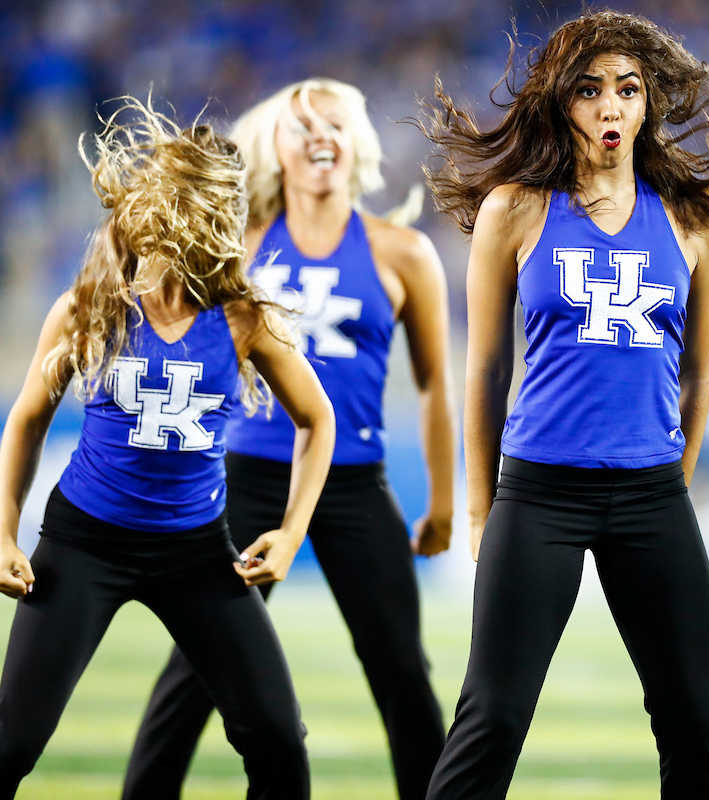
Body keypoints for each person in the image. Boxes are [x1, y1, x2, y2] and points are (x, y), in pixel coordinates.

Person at [417, 10, 709, 799]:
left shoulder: (698, 220)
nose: (610, 107)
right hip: (540, 495)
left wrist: (675, 480)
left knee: (695, 720)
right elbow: (486, 370)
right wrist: (482, 511)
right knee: (490, 716)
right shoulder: (515, 210)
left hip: (652, 496)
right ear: (561, 102)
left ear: (647, 104)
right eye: (590, 90)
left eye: (627, 89)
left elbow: (698, 374)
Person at [122, 78, 454, 800]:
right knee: (195, 670)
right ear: (275, 146)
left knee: (401, 668)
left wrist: (445, 501)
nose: (317, 138)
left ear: (358, 143)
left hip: (357, 481)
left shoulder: (403, 254)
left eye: (334, 123)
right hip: (245, 478)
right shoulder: (234, 248)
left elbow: (433, 385)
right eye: (300, 126)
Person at [0, 100, 334, 800]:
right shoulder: (92, 303)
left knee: (277, 739)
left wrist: (293, 529)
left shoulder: (241, 315)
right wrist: (3, 529)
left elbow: (317, 418)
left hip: (194, 550)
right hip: (85, 542)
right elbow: (28, 416)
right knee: (12, 740)